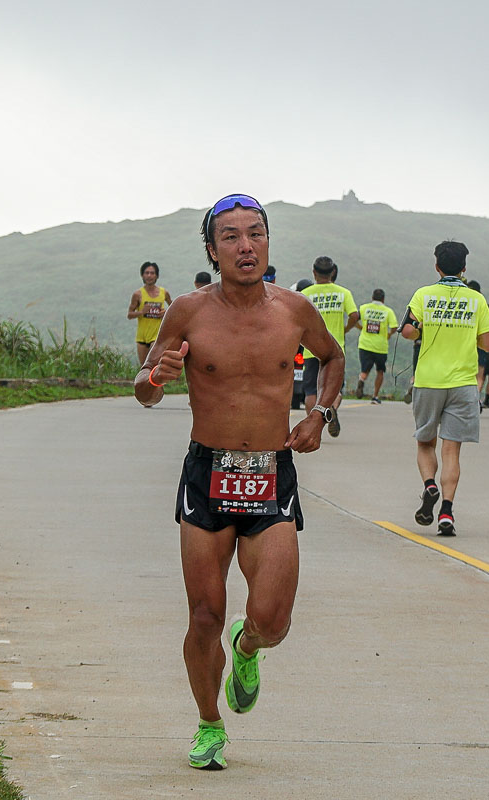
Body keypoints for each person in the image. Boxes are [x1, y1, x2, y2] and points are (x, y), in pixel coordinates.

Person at [134, 194, 344, 771]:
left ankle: (247, 646)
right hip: (208, 475)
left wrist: (318, 416)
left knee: (273, 620)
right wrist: (156, 375)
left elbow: (333, 358)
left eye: (255, 233)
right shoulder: (186, 313)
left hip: (272, 476)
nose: (245, 245)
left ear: (269, 243)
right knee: (203, 614)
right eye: (231, 236)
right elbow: (145, 390)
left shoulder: (295, 311)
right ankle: (208, 724)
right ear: (212, 250)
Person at [401, 241, 489, 537]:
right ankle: (447, 512)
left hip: (428, 380)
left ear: (437, 266)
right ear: (464, 268)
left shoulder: (423, 295)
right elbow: (488, 344)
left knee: (425, 442)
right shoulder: (476, 299)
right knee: (452, 449)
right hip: (463, 383)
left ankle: (429, 485)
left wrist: (421, 328)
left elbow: (406, 331)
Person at [300, 257, 359, 437]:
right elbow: (355, 315)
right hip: (335, 350)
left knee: (311, 390)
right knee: (334, 389)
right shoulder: (343, 293)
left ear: (314, 272)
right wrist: (345, 329)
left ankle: (313, 428)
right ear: (333, 272)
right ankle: (331, 407)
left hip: (311, 349)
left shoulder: (305, 294)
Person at [355, 289, 398, 404]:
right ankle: (375, 396)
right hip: (380, 346)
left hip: (364, 345)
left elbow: (353, 318)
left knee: (365, 369)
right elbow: (394, 327)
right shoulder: (388, 311)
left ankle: (361, 380)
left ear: (372, 297)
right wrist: (389, 334)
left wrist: (360, 327)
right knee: (380, 371)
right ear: (383, 299)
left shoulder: (364, 308)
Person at [128, 261, 172, 364]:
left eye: (152, 273)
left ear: (157, 275)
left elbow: (173, 308)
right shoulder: (138, 294)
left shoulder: (164, 293)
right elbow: (129, 314)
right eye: (146, 273)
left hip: (156, 336)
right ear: (142, 275)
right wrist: (141, 312)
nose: (149, 276)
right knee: (144, 369)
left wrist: (165, 313)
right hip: (142, 337)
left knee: (153, 365)